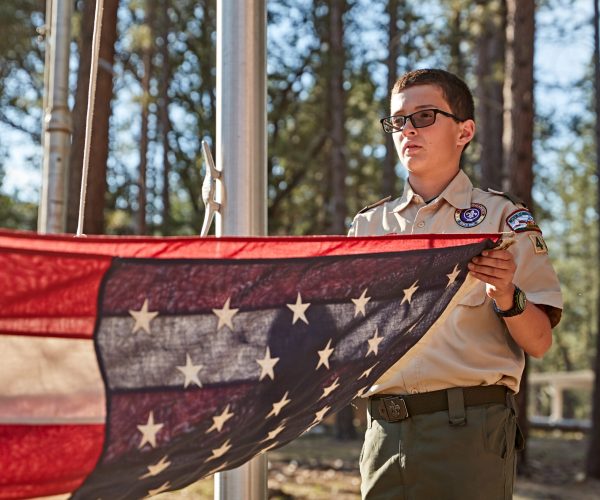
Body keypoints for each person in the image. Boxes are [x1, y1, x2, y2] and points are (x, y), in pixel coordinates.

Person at [348, 68, 562, 500]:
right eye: (398, 120)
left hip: (469, 431)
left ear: (465, 131)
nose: (407, 129)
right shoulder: (368, 227)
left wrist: (506, 295)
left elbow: (539, 342)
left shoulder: (502, 220)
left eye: (424, 116)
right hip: (384, 434)